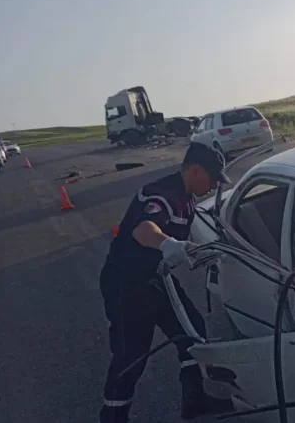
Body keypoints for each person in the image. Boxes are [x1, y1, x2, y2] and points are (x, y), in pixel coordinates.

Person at [98, 142, 234, 423]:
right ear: (195, 171)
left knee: (192, 331)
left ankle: (194, 401)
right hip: (126, 283)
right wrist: (168, 244)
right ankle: (112, 417)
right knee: (131, 355)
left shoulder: (188, 198)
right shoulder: (162, 194)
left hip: (155, 278)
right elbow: (144, 230)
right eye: (212, 179)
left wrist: (198, 253)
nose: (214, 186)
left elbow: (180, 241)